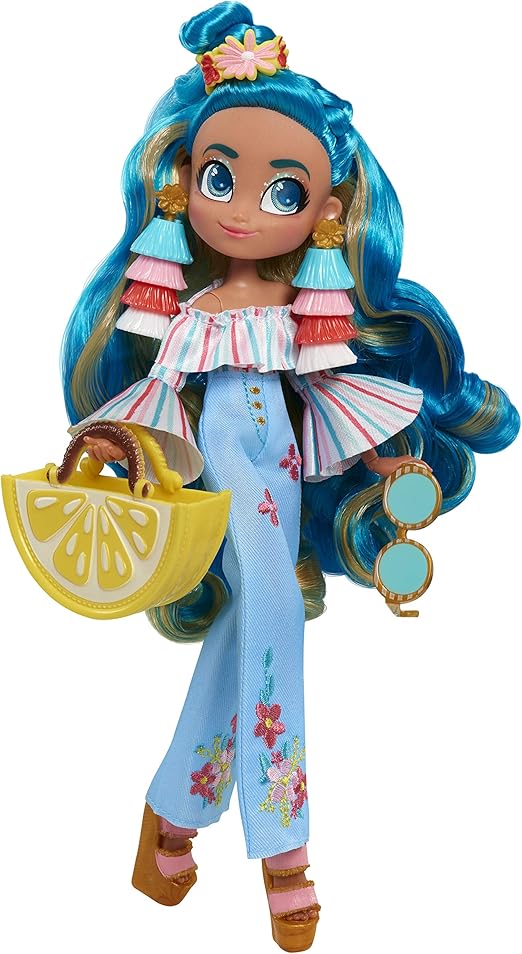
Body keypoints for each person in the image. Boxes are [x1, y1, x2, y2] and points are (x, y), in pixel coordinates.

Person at [60, 3, 519, 949]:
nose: (239, 209)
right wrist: (112, 447)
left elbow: (329, 400)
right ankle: (285, 848)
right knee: (275, 617)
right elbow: (157, 399)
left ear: (327, 211)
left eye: (281, 192)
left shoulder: (305, 312)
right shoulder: (190, 316)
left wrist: (388, 455)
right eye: (218, 178)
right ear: (183, 185)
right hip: (223, 491)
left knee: (252, 626)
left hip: (281, 494)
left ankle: (172, 815)